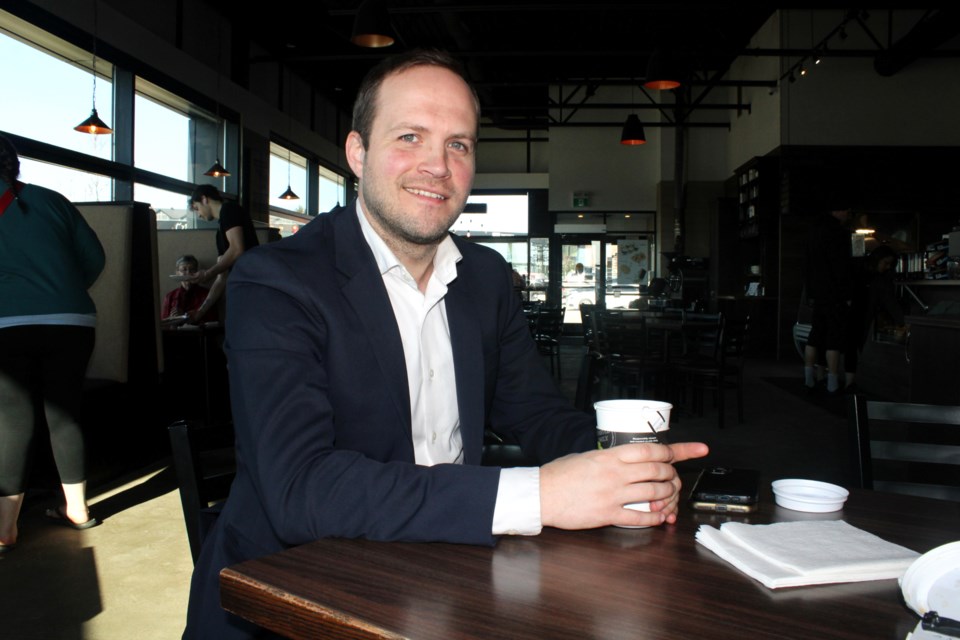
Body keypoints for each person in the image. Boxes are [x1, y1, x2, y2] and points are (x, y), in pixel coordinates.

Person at [183, 51, 708, 638]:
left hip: (444, 577)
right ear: (358, 153)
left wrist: (624, 467)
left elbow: (535, 412)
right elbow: (300, 487)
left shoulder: (484, 277)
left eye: (458, 144)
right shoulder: (277, 280)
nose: (438, 165)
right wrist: (539, 494)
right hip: (287, 596)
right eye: (411, 136)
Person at [0, 134, 106, 552]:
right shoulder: (52, 199)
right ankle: (77, 510)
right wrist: (60, 290)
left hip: (7, 323)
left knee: (12, 422)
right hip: (72, 320)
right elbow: (95, 257)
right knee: (65, 413)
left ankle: (6, 528)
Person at [185, 185, 259, 323]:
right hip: (241, 291)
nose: (198, 214)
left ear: (204, 199)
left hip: (253, 287)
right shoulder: (220, 233)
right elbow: (222, 277)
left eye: (196, 208)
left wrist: (207, 274)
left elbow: (237, 248)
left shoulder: (229, 210)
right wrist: (200, 312)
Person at [802, 204, 853, 394]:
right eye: (846, 209)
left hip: (817, 292)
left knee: (815, 335)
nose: (848, 213)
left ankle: (809, 376)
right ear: (837, 210)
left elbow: (806, 266)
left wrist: (810, 293)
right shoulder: (839, 233)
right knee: (834, 336)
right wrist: (847, 294)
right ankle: (832, 380)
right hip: (835, 293)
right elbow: (843, 267)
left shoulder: (813, 232)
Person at [843, 244, 905, 391]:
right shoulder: (878, 280)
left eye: (890, 264)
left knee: (851, 347)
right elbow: (889, 301)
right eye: (886, 263)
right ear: (878, 260)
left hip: (856, 312)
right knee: (854, 346)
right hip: (859, 314)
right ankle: (851, 383)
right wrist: (902, 322)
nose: (888, 267)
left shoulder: (862, 271)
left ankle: (849, 383)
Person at [161, 254, 217, 323]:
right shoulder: (170, 296)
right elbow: (163, 323)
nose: (188, 273)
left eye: (192, 269)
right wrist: (173, 318)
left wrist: (184, 315)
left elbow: (213, 320)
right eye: (184, 269)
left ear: (197, 272)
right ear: (177, 273)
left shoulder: (207, 294)